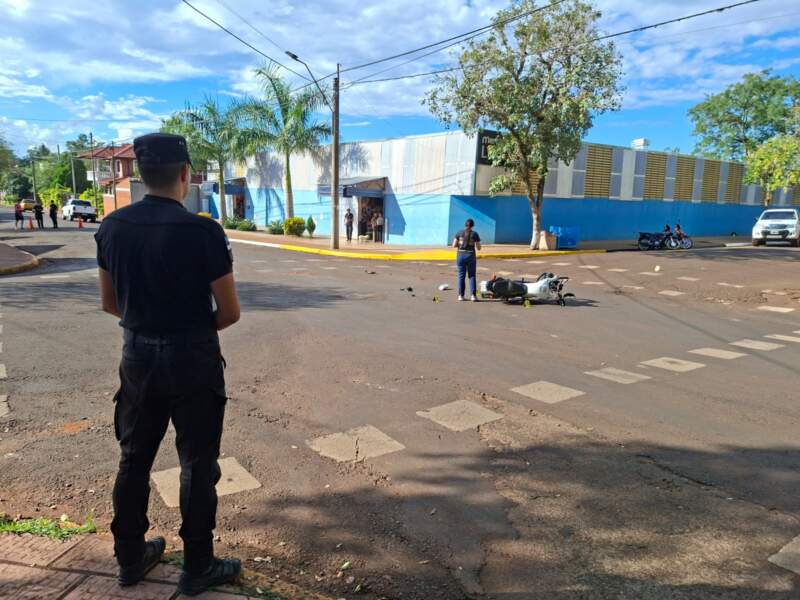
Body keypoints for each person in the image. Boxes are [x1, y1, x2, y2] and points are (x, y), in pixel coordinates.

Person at [95, 133, 241, 595]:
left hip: (137, 356)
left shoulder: (111, 227)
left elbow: (109, 303)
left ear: (139, 175)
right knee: (197, 463)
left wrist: (148, 324)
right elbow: (230, 312)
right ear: (185, 175)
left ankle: (129, 558)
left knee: (133, 458)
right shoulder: (204, 231)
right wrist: (189, 330)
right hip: (193, 357)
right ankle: (197, 565)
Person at [453, 218, 482, 301]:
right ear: (472, 226)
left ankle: (460, 296)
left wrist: (460, 243)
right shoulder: (475, 234)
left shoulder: (459, 233)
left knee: (461, 276)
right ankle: (473, 296)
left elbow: (454, 245)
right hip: (470, 256)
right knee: (472, 275)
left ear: (465, 225)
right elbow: (479, 248)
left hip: (461, 255)